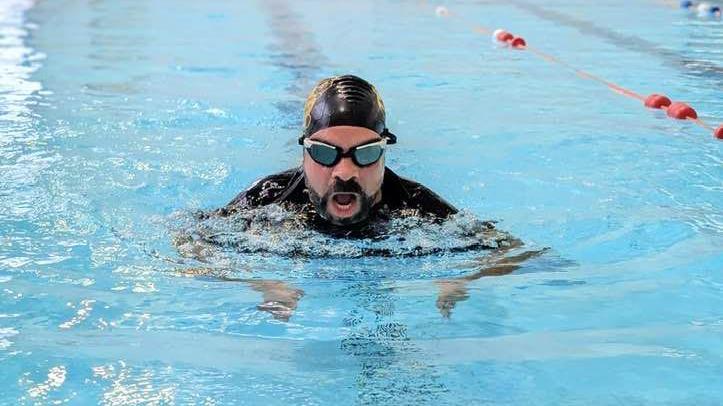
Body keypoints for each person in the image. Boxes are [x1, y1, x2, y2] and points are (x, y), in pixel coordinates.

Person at [213, 74, 457, 234]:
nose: (345, 172)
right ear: (305, 154)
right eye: (324, 153)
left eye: (366, 153)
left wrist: (457, 280)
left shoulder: (417, 205)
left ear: (383, 154)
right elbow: (192, 245)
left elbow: (494, 255)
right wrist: (263, 282)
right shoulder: (270, 198)